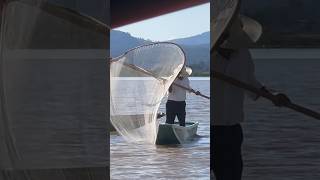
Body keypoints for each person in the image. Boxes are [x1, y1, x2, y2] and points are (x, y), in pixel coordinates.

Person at [211, 15, 290, 180]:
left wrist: (273, 96)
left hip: (232, 130)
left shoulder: (243, 55)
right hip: (207, 130)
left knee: (231, 176)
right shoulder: (208, 56)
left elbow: (251, 83)